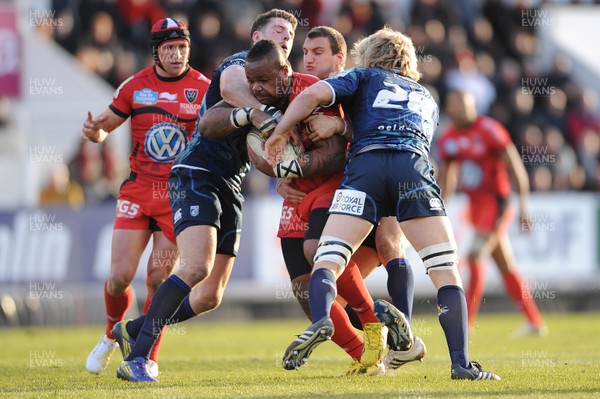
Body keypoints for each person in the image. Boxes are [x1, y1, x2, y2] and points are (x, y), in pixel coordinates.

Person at [265, 27, 500, 380]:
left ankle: (322, 320)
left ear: (369, 56)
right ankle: (461, 364)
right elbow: (404, 131)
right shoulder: (427, 96)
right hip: (413, 169)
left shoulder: (361, 75)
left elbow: (313, 95)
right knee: (445, 271)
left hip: (366, 168)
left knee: (327, 258)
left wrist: (282, 131)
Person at [110, 9, 298, 382]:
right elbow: (229, 89)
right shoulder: (238, 64)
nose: (285, 37)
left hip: (231, 183)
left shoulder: (284, 91)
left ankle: (136, 330)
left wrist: (281, 170)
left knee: (210, 295)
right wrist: (264, 117)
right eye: (277, 30)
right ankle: (138, 358)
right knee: (195, 266)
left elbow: (259, 154)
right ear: (256, 36)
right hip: (197, 172)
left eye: (290, 34)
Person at [241, 39, 390, 375]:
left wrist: (291, 168)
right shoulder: (256, 103)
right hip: (295, 195)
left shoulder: (310, 91)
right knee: (304, 289)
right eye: (252, 82)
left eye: (263, 80)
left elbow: (335, 152)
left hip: (330, 186)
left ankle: (373, 323)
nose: (257, 88)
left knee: (316, 250)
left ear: (284, 71)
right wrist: (276, 172)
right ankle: (365, 359)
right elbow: (263, 157)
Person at [285, 25, 425, 372]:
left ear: (340, 57)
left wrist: (340, 128)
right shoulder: (293, 89)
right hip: (307, 193)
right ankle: (372, 352)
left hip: (361, 188)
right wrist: (280, 171)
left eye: (318, 51)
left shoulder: (356, 82)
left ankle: (397, 336)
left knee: (388, 242)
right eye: (306, 51)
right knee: (309, 287)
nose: (309, 58)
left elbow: (384, 129)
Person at [82, 17, 210, 378]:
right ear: (155, 51)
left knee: (158, 278)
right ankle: (111, 334)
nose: (176, 54)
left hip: (178, 194)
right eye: (168, 48)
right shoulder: (136, 86)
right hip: (138, 190)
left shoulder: (203, 88)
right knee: (120, 276)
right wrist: (94, 133)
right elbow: (104, 127)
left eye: (181, 47)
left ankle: (147, 356)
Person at [437, 90, 546, 335]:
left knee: (475, 256)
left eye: (465, 103)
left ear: (474, 105)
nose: (461, 109)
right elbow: (448, 182)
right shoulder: (449, 139)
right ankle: (534, 322)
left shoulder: (489, 129)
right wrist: (438, 210)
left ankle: (466, 322)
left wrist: (524, 208)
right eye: (456, 104)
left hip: (497, 203)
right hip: (476, 209)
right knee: (505, 265)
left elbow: (516, 167)